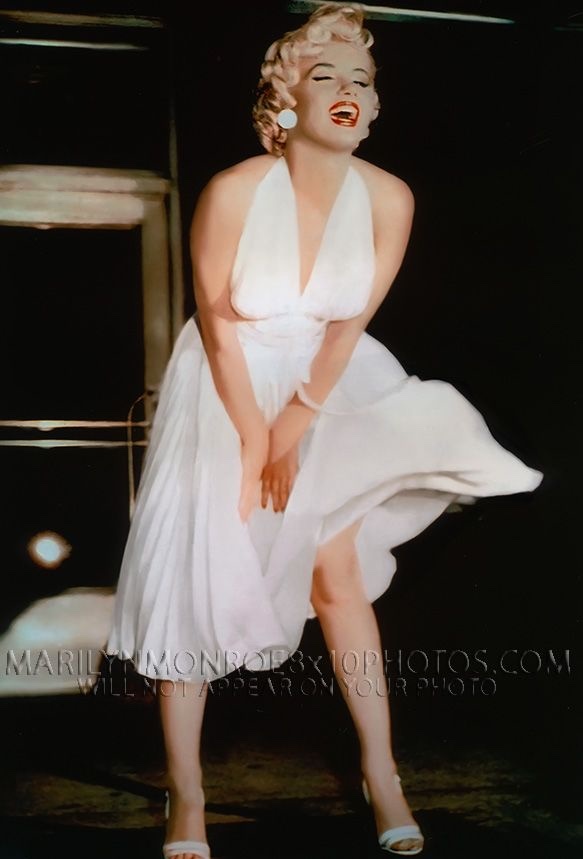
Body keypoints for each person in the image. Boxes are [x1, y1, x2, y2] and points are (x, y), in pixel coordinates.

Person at [105, 4, 543, 857]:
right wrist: (255, 439)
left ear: (373, 106)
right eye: (325, 75)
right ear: (285, 100)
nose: (348, 89)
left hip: (328, 382)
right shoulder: (234, 191)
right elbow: (217, 323)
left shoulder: (388, 197)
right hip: (226, 385)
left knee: (336, 574)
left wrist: (296, 425)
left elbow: (348, 326)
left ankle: (382, 774)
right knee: (200, 577)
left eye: (362, 79)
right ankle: (186, 795)